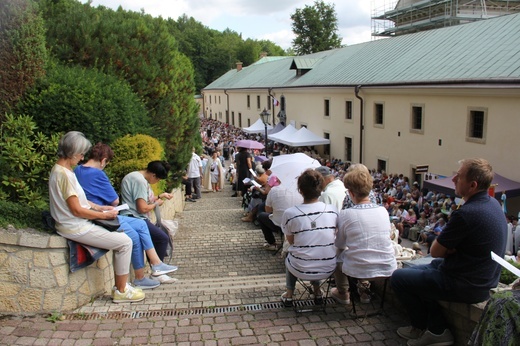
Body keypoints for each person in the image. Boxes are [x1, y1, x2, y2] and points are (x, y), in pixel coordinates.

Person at [392, 158, 507, 346]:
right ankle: (436, 328)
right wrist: (450, 249)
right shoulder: (492, 203)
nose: (453, 179)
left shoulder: (466, 213)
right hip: (482, 277)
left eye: (458, 176)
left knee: (399, 278)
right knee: (425, 268)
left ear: (472, 185)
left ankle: (423, 328)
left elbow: (436, 250)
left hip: (467, 284)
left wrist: (448, 249)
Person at [48, 131, 144, 303]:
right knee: (125, 242)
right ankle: (121, 291)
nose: (82, 157)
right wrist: (105, 215)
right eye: (81, 153)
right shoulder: (65, 175)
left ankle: (122, 288)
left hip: (72, 223)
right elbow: (77, 210)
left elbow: (79, 201)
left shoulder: (61, 170)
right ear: (72, 152)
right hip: (75, 226)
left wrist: (100, 208)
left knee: (123, 238)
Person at [75, 143, 178, 286]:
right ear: (104, 160)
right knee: (139, 239)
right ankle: (131, 283)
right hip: (105, 216)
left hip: (97, 213)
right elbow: (116, 201)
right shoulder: (99, 173)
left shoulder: (77, 170)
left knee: (141, 230)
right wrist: (155, 204)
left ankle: (153, 267)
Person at [333, 165, 397, 305]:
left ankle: (343, 292)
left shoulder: (346, 214)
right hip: (387, 266)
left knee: (337, 256)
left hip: (358, 268)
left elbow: (340, 244)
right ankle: (365, 291)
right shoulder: (383, 211)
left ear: (351, 193)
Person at [280, 169, 338, 307]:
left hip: (300, 267)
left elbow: (291, 241)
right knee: (315, 248)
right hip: (328, 267)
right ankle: (317, 292)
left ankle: (289, 295)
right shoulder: (332, 210)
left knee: (292, 252)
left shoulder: (290, 213)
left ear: (300, 190)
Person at [120, 161, 175, 267]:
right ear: (153, 175)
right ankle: (158, 268)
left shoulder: (136, 176)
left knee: (156, 239)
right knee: (162, 238)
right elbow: (142, 208)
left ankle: (157, 267)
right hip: (135, 217)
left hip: (134, 216)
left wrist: (160, 196)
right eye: (158, 179)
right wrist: (156, 204)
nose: (157, 182)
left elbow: (144, 200)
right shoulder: (140, 181)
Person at [257, 175, 303, 251]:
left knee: (261, 216)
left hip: (279, 224)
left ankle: (272, 243)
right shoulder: (300, 191)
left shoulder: (274, 190)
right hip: (298, 223)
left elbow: (267, 210)